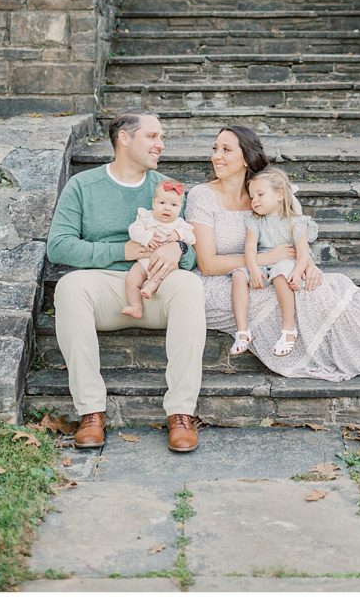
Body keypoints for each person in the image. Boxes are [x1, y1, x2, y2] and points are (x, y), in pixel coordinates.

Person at [185, 125, 360, 381]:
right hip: (218, 286)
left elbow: (289, 236)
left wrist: (307, 264)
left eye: (225, 149)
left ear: (246, 158)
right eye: (215, 149)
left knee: (331, 282)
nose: (216, 156)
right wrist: (266, 259)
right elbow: (208, 264)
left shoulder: (263, 193)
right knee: (309, 292)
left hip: (261, 274)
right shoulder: (202, 195)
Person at [47, 112, 206, 453]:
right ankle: (90, 412)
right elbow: (58, 245)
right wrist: (122, 249)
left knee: (191, 287)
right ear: (124, 138)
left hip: (156, 288)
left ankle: (180, 413)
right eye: (152, 136)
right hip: (104, 288)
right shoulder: (83, 186)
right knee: (69, 287)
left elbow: (193, 257)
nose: (160, 144)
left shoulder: (166, 189)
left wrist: (177, 249)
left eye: (161, 137)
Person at [231, 168, 315, 357]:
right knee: (237, 274)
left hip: (286, 260)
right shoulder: (255, 220)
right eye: (252, 197)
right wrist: (252, 269)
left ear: (279, 194)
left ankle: (288, 330)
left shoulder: (297, 222)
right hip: (262, 259)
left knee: (280, 274)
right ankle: (243, 331)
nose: (255, 201)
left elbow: (303, 253)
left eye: (260, 194)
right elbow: (250, 248)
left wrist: (297, 271)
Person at [123, 179, 196, 318]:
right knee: (131, 279)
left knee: (163, 274)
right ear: (153, 203)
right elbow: (133, 230)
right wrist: (146, 237)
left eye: (174, 205)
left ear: (180, 208)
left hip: (165, 265)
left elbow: (192, 238)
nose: (167, 208)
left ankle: (150, 288)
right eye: (162, 203)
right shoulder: (146, 217)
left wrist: (178, 234)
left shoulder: (180, 224)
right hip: (143, 261)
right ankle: (135, 306)